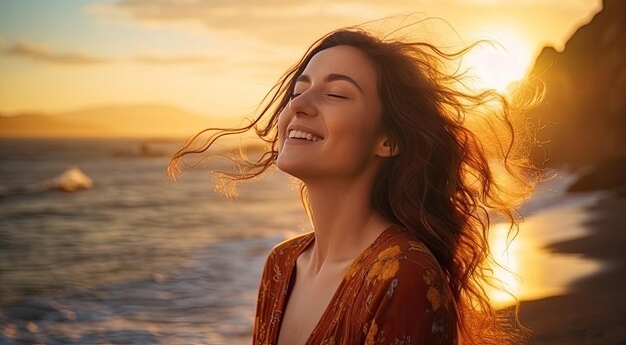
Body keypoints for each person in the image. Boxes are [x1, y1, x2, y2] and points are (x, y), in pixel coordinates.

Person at [169, 25, 540, 344]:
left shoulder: (404, 274)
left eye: (336, 94)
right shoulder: (282, 264)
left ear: (388, 140)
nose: (300, 105)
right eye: (299, 90)